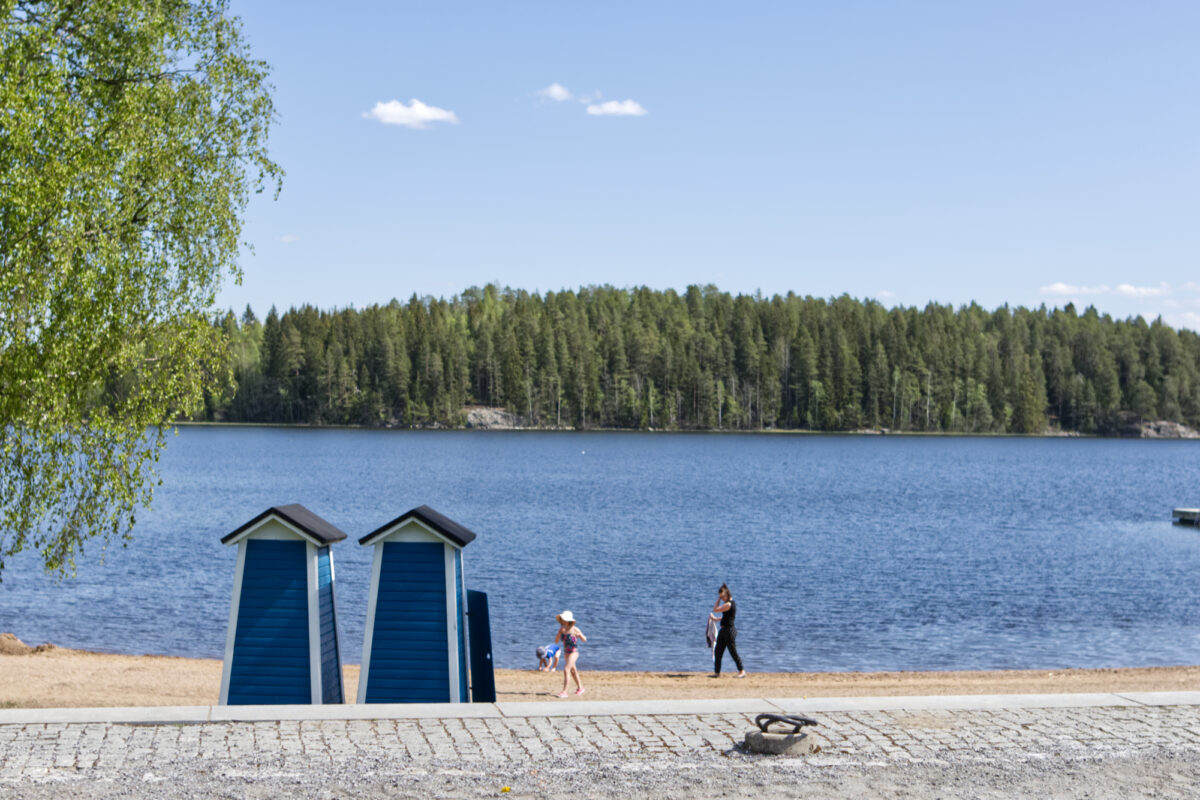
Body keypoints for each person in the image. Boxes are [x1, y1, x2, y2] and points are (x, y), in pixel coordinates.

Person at [709, 584, 746, 678]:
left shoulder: (729, 604)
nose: (721, 598)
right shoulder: (728, 603)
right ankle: (717, 673)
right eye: (720, 597)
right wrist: (717, 619)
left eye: (722, 596)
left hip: (729, 631)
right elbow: (727, 617)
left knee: (733, 652)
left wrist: (718, 599)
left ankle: (742, 671)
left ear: (727, 594)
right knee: (718, 651)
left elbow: (715, 609)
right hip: (724, 630)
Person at [554, 610, 587, 697]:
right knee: (573, 671)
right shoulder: (562, 629)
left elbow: (584, 640)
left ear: (569, 621)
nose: (563, 621)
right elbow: (556, 641)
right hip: (566, 653)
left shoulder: (574, 629)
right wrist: (558, 634)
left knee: (566, 669)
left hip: (573, 652)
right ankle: (580, 688)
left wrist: (579, 635)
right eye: (562, 620)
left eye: (565, 620)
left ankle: (564, 692)